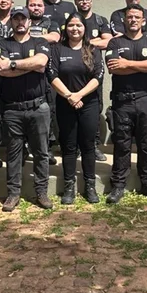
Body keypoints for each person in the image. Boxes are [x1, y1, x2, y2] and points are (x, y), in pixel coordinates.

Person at [105, 4, 147, 204]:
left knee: (146, 143)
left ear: (143, 20)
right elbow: (114, 68)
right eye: (129, 17)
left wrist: (128, 64)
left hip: (145, 99)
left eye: (137, 17)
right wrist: (142, 67)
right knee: (121, 143)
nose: (133, 20)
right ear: (124, 20)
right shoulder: (115, 42)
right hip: (122, 101)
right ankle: (118, 184)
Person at [0, 7, 52, 212]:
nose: (20, 22)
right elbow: (1, 71)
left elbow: (42, 63)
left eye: (23, 19)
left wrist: (12, 64)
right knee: (13, 153)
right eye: (16, 19)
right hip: (12, 110)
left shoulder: (40, 42)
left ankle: (42, 192)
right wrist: (27, 66)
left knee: (41, 153)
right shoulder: (2, 44)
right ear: (11, 22)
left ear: (30, 22)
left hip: (38, 106)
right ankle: (13, 193)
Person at [48, 12, 104, 204]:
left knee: (88, 146)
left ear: (84, 29)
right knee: (69, 146)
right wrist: (69, 96)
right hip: (65, 104)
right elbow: (52, 75)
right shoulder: (57, 49)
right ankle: (69, 187)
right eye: (71, 25)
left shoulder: (93, 49)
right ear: (66, 28)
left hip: (88, 104)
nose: (75, 29)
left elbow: (98, 77)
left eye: (78, 25)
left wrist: (79, 95)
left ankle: (90, 186)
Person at [74, 0, 112, 161]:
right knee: (73, 107)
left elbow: (109, 41)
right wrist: (96, 42)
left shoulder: (100, 20)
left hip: (94, 71)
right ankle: (75, 146)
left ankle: (93, 145)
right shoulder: (72, 19)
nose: (84, 2)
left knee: (95, 108)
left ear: (92, 0)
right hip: (72, 71)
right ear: (76, 1)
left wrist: (87, 42)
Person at [26, 0, 62, 165]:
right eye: (32, 5)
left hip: (47, 74)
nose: (36, 8)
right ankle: (27, 149)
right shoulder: (21, 20)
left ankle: (46, 149)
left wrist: (29, 38)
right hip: (24, 73)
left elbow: (55, 37)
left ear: (44, 8)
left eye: (39, 5)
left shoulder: (51, 23)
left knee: (49, 112)